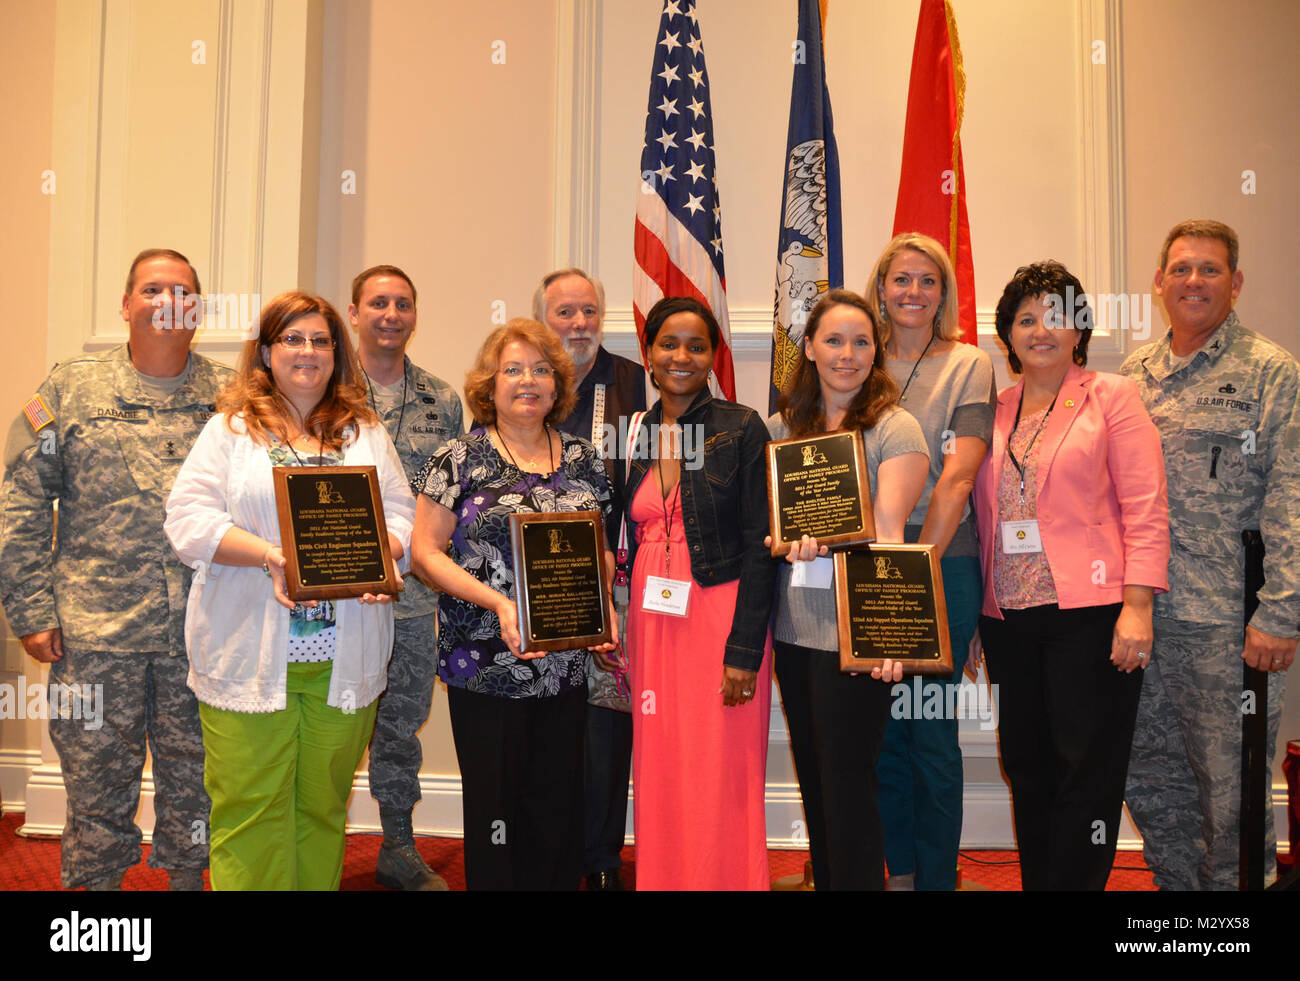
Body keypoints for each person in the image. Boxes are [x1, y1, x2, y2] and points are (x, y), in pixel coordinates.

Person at [164, 291, 415, 891]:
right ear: (268, 352)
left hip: (343, 657)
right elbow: (187, 521)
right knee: (249, 809)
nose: (308, 351)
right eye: (293, 339)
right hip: (248, 652)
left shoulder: (365, 432)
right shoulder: (230, 431)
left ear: (338, 354)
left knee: (322, 810)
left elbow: (400, 513)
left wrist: (383, 560)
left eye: (321, 340)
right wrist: (269, 557)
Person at [0, 248, 232, 891]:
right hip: (95, 632)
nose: (167, 301)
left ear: (199, 309)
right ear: (125, 304)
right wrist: (30, 609)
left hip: (205, 627)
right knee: (97, 782)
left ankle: (189, 882)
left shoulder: (235, 397)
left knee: (201, 777)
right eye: (152, 288)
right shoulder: (69, 389)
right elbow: (20, 498)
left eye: (183, 290)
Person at [972, 260, 1170, 890]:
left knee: (1086, 769)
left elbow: (1145, 505)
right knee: (1026, 766)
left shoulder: (1113, 396)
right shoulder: (993, 408)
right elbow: (977, 515)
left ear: (1078, 330)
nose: (1040, 330)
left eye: (1055, 317)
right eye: (1025, 319)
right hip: (1008, 618)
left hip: (1089, 615)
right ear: (1008, 336)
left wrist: (1137, 606)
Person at [1120, 220, 1298, 890]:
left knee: (1233, 789)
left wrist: (1282, 611)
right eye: (1182, 269)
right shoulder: (1134, 373)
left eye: (1211, 269)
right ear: (1161, 282)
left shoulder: (1272, 372)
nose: (1194, 281)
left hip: (1228, 627)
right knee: (1151, 773)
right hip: (1142, 619)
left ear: (1237, 282)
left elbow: (1293, 494)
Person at [410, 318, 618, 890]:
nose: (528, 380)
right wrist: (499, 603)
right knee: (496, 812)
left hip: (565, 665)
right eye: (514, 370)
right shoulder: (458, 459)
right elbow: (424, 553)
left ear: (557, 385)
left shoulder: (584, 457)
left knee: (555, 805)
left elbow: (598, 547)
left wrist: (604, 607)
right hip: (484, 665)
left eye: (542, 369)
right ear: (490, 383)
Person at [768, 289, 929, 890]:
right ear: (808, 348)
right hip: (793, 630)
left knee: (850, 787)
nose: (847, 353)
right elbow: (772, 528)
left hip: (854, 635)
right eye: (833, 340)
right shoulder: (782, 428)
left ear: (876, 351)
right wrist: (782, 541)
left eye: (862, 341)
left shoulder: (896, 426)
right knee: (815, 781)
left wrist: (887, 633)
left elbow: (888, 535)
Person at [615, 296, 776, 890]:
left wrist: (744, 651)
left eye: (696, 345)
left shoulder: (740, 427)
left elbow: (764, 547)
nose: (681, 356)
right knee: (661, 768)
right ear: (649, 355)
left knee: (721, 768)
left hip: (718, 612)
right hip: (653, 621)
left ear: (713, 356)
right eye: (668, 344)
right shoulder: (632, 433)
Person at [864, 233, 995, 891]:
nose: (913, 292)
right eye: (901, 279)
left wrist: (911, 568)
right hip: (865, 565)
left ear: (943, 293)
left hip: (941, 562)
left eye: (928, 281)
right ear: (881, 287)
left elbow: (958, 478)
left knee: (933, 734)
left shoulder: (969, 363)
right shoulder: (856, 355)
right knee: (884, 739)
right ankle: (901, 873)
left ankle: (938, 880)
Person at [348, 264, 463, 891]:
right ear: (354, 312)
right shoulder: (325, 387)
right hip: (337, 593)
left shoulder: (442, 400)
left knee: (400, 723)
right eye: (379, 303)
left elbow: (453, 498)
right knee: (334, 720)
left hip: (414, 597)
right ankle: (314, 842)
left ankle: (397, 844)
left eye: (403, 304)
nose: (391, 314)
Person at [534, 266, 646, 891]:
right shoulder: (523, 382)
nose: (579, 325)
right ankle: (549, 849)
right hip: (535, 581)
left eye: (588, 313)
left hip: (617, 580)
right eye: (564, 313)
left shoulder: (636, 383)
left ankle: (601, 857)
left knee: (606, 726)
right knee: (548, 717)